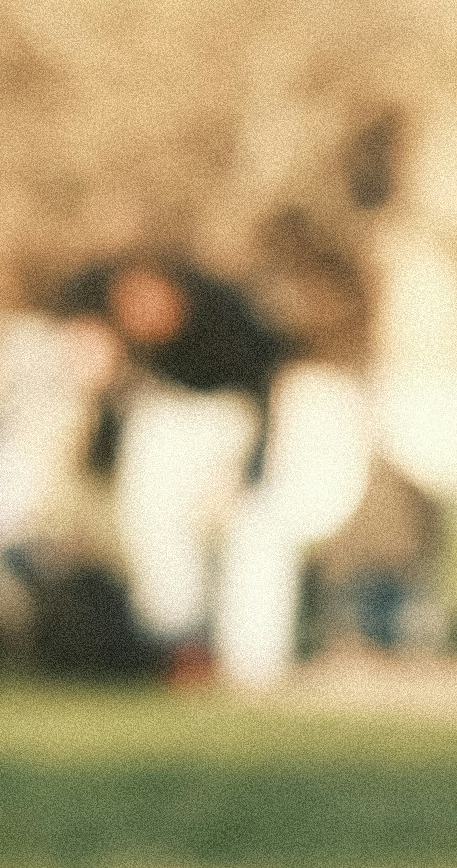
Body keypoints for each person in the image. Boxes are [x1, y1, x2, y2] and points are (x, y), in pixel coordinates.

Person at [52, 251, 307, 686]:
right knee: (154, 527)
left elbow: (265, 388)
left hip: (231, 416)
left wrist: (251, 468)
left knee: (254, 534)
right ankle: (180, 644)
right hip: (167, 415)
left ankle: (254, 659)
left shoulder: (227, 321)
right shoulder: (114, 327)